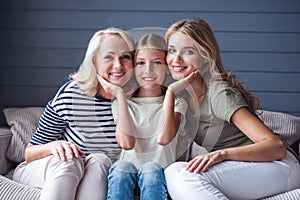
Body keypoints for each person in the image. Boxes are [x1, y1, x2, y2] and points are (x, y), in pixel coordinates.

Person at [164, 19, 300, 200]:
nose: (176, 59)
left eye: (188, 51)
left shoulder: (219, 93)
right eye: (172, 50)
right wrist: (171, 93)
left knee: (189, 179)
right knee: (174, 171)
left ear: (206, 56)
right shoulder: (184, 98)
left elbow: (276, 147)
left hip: (278, 166)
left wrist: (221, 155)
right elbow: (165, 140)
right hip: (240, 168)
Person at [12, 27, 136, 200]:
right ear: (94, 62)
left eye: (125, 57)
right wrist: (53, 146)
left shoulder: (138, 100)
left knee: (100, 161)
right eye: (108, 57)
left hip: (95, 172)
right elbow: (29, 153)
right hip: (53, 169)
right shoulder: (71, 94)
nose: (118, 65)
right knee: (71, 160)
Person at [98, 34, 188, 200]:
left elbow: (164, 138)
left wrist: (171, 91)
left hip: (158, 180)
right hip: (126, 178)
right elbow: (126, 143)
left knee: (151, 170)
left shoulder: (177, 103)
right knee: (121, 168)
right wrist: (119, 94)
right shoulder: (122, 103)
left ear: (167, 68)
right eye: (140, 63)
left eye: (157, 63)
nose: (148, 70)